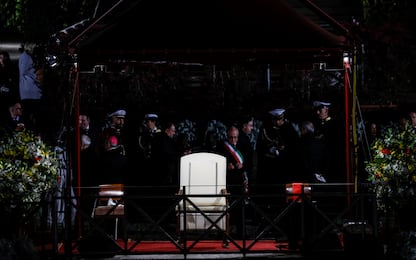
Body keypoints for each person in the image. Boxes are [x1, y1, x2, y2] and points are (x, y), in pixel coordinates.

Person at [216, 125, 249, 238]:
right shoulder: (222, 147)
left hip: (239, 182)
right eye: (231, 138)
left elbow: (249, 163)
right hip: (227, 182)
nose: (233, 140)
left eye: (235, 137)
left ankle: (241, 233)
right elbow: (216, 163)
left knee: (240, 209)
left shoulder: (243, 145)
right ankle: (225, 233)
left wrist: (242, 165)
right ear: (227, 136)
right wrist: (226, 166)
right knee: (226, 209)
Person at [312, 101, 345, 183]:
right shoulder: (320, 125)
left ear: (326, 110)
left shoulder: (334, 124)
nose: (318, 112)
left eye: (320, 110)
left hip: (332, 162)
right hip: (322, 162)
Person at [97, 109, 128, 185]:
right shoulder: (108, 133)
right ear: (113, 119)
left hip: (120, 169)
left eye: (122, 119)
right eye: (119, 119)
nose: (121, 122)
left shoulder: (120, 132)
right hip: (111, 170)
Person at [18, 45, 43, 132]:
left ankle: (33, 135)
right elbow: (23, 72)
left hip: (31, 92)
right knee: (30, 116)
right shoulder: (25, 57)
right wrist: (35, 76)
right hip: (30, 92)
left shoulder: (27, 57)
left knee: (33, 116)